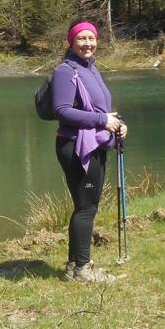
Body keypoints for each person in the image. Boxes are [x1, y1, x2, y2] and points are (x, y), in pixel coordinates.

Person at [50, 20, 128, 283]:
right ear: (71, 42)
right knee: (86, 207)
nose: (87, 43)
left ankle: (74, 266)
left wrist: (117, 124)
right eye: (81, 39)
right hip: (77, 146)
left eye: (91, 38)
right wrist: (102, 121)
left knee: (84, 206)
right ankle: (83, 270)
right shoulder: (66, 71)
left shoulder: (91, 68)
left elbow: (100, 109)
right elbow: (62, 110)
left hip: (94, 142)